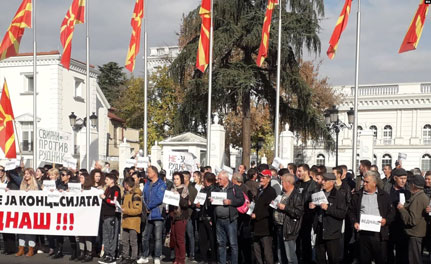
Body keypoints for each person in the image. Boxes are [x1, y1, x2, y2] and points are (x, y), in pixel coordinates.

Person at [349, 171, 394, 264]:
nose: (364, 184)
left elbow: (392, 212)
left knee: (380, 260)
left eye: (366, 182)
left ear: (374, 183)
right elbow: (351, 211)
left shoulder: (384, 196)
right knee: (364, 260)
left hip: (379, 234)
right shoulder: (357, 195)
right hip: (363, 234)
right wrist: (354, 222)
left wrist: (386, 221)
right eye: (363, 181)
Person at [309, 173, 347, 264]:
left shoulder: (339, 196)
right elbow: (316, 211)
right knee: (320, 258)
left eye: (325, 180)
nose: (322, 182)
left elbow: (342, 214)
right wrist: (312, 207)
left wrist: (328, 209)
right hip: (320, 229)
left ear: (332, 182)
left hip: (332, 232)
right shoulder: (319, 193)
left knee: (333, 258)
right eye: (322, 180)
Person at [397, 174, 430, 264]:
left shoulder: (419, 198)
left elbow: (412, 220)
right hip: (414, 234)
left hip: (415, 235)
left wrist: (401, 209)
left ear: (414, 185)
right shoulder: (419, 196)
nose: (408, 185)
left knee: (414, 260)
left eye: (410, 183)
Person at [214, 170, 245, 264]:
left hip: (230, 220)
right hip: (219, 220)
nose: (218, 180)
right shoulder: (216, 188)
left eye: (220, 179)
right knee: (221, 243)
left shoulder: (234, 188)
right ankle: (222, 261)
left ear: (226, 179)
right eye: (218, 178)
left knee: (233, 244)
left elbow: (241, 200)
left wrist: (230, 202)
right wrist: (211, 199)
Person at [138, 166, 166, 264]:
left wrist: (148, 207)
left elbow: (159, 198)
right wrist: (145, 207)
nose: (147, 173)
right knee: (145, 236)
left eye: (149, 172)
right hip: (147, 214)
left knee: (157, 237)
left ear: (154, 173)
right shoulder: (147, 183)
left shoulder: (161, 184)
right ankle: (145, 255)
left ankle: (157, 256)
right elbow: (144, 196)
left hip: (157, 213)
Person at [274, 173, 303, 264]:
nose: (281, 184)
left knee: (290, 256)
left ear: (288, 183)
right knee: (281, 254)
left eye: (282, 182)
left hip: (289, 228)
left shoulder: (296, 195)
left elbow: (298, 212)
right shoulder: (283, 193)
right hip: (280, 226)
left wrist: (285, 207)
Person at [251, 169, 277, 264]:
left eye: (263, 177)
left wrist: (256, 215)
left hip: (265, 226)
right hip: (256, 225)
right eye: (260, 177)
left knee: (267, 252)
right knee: (256, 250)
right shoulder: (260, 190)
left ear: (269, 179)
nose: (261, 179)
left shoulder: (271, 191)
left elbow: (269, 209)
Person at [385, 168, 411, 264]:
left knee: (402, 253)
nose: (404, 181)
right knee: (388, 251)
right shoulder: (387, 190)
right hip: (389, 225)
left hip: (402, 226)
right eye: (401, 178)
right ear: (395, 178)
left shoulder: (408, 192)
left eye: (405, 178)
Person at [294, 164, 317, 264]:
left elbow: (317, 200)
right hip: (296, 216)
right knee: (297, 241)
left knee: (306, 241)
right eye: (297, 171)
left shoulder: (314, 185)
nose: (298, 173)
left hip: (307, 217)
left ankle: (307, 260)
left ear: (306, 172)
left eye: (300, 171)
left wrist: (314, 205)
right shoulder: (297, 184)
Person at [15, 168, 40, 257]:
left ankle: (31, 249)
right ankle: (21, 248)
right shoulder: (22, 184)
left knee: (30, 231)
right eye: (25, 174)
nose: (26, 175)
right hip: (22, 211)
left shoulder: (36, 186)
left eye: (28, 174)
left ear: (32, 175)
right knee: (21, 230)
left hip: (32, 212)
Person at [118, 177, 142, 264]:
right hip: (126, 221)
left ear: (126, 185)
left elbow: (138, 210)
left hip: (133, 222)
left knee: (133, 241)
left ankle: (133, 258)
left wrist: (126, 211)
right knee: (124, 240)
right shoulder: (126, 195)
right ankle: (125, 256)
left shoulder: (136, 196)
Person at [98, 173, 121, 264]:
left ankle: (112, 255)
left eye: (107, 179)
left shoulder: (116, 189)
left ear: (112, 180)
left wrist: (105, 198)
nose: (105, 181)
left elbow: (114, 202)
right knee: (106, 236)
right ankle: (107, 254)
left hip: (112, 216)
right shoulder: (107, 189)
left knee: (112, 236)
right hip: (105, 215)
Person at [168, 172, 190, 264]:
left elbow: (185, 204)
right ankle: (177, 258)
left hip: (181, 217)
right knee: (175, 239)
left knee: (180, 240)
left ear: (181, 179)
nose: (175, 181)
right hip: (173, 217)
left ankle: (181, 259)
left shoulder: (184, 189)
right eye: (174, 178)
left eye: (177, 179)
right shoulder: (172, 189)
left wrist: (178, 196)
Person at [196, 172, 218, 264]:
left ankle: (213, 258)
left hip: (211, 217)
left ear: (206, 180)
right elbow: (198, 202)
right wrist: (197, 204)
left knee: (212, 239)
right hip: (202, 216)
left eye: (203, 179)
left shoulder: (215, 190)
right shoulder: (203, 190)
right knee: (202, 239)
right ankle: (204, 258)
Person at [232, 173, 252, 264]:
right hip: (243, 219)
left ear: (235, 180)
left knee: (243, 242)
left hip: (243, 219)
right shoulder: (246, 188)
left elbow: (251, 204)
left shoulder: (242, 189)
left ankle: (244, 260)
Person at [77, 172, 96, 262]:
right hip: (79, 215)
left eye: (82, 178)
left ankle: (89, 252)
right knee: (80, 234)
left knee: (87, 234)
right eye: (80, 178)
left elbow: (99, 194)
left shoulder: (92, 190)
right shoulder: (77, 189)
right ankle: (82, 252)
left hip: (88, 215)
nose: (80, 179)